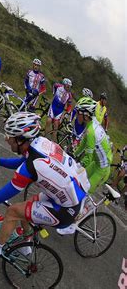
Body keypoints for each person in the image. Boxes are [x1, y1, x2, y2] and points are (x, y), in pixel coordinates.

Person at [0, 112, 89, 257]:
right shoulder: (40, 143)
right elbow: (22, 161)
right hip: (72, 197)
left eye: (10, 137)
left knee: (13, 211)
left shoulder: (30, 167)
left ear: (21, 140)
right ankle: (25, 246)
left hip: (65, 212)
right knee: (26, 207)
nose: (7, 140)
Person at [56, 97, 113, 235]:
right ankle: (70, 209)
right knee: (77, 182)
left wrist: (76, 165)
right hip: (96, 163)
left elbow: (87, 157)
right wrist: (73, 155)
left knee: (83, 194)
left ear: (86, 114)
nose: (76, 115)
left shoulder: (92, 131)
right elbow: (83, 145)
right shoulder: (90, 125)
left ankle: (73, 224)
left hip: (102, 170)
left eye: (78, 112)